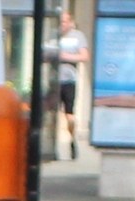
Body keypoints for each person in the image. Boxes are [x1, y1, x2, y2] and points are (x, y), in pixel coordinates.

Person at [54, 17, 87, 159]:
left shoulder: (77, 36)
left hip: (68, 80)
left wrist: (64, 56)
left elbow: (84, 56)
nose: (62, 24)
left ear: (71, 23)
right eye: (60, 21)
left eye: (65, 22)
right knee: (49, 112)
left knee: (69, 114)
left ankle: (72, 141)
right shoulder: (53, 34)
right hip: (52, 80)